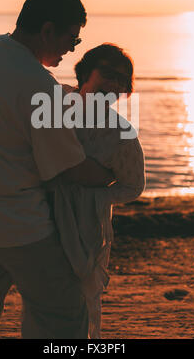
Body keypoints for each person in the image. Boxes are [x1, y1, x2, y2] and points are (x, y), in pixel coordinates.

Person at [0, 0, 114, 339]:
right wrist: (111, 175)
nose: (72, 49)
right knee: (64, 313)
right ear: (47, 30)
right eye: (71, 38)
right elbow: (70, 167)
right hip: (18, 226)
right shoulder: (42, 88)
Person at [46, 43, 145, 338]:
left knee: (81, 304)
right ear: (85, 74)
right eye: (109, 73)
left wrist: (93, 194)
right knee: (43, 299)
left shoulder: (121, 133)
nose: (115, 83)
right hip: (39, 213)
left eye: (122, 80)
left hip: (86, 227)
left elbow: (133, 186)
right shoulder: (53, 102)